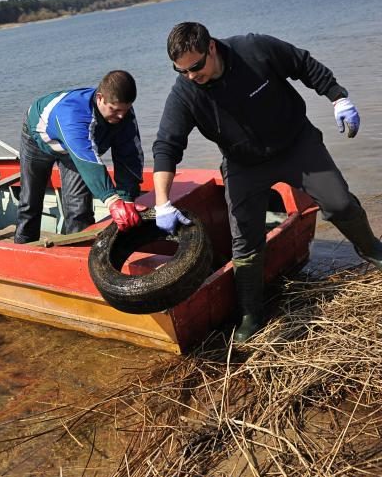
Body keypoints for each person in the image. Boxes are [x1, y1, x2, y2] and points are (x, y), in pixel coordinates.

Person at [152, 21, 382, 342]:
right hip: (244, 164)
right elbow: (167, 145)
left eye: (197, 66)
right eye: (182, 71)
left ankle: (372, 250)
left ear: (212, 48)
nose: (192, 76)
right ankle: (250, 313)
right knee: (244, 240)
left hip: (296, 144)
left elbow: (303, 64)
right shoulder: (187, 92)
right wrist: (162, 201)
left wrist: (337, 97)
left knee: (338, 201)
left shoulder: (254, 50)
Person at [14, 70, 144, 244]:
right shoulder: (73, 115)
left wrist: (127, 197)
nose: (121, 116)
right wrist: (113, 201)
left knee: (78, 211)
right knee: (30, 204)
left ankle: (79, 255)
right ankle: (23, 251)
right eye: (115, 110)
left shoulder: (123, 112)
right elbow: (87, 160)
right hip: (38, 142)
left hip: (76, 150)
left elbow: (130, 155)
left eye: (125, 110)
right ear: (100, 98)